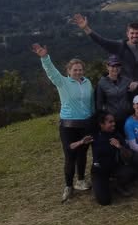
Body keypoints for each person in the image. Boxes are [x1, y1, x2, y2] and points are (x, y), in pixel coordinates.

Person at [32, 43, 94, 202]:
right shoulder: (63, 82)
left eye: (80, 69)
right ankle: (68, 186)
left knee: (82, 154)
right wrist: (45, 58)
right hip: (68, 126)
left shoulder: (87, 83)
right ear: (68, 71)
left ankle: (80, 180)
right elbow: (51, 72)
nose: (78, 72)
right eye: (75, 70)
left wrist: (93, 118)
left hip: (85, 124)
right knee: (70, 156)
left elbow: (91, 102)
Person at [72, 14, 138, 95]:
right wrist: (86, 28)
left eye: (137, 33)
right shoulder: (120, 46)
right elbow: (102, 41)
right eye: (132, 33)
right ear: (127, 34)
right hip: (123, 90)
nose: (134, 35)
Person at [88, 112, 135, 206]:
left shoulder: (116, 135)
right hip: (99, 171)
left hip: (114, 168)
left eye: (114, 121)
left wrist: (119, 146)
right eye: (110, 122)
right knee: (105, 201)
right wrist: (81, 142)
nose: (114, 124)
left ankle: (116, 184)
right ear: (101, 124)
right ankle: (100, 185)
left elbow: (129, 155)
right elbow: (71, 147)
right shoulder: (94, 135)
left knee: (131, 172)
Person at [95, 55, 134, 127]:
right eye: (112, 66)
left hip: (127, 117)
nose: (115, 69)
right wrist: (103, 119)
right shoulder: (101, 83)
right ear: (107, 67)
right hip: (112, 120)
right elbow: (99, 104)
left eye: (117, 66)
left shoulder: (126, 80)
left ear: (120, 67)